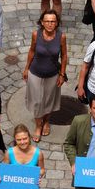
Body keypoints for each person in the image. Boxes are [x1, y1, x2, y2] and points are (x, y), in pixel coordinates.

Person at [22, 10, 68, 142]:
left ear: (57, 23)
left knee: (48, 101)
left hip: (52, 74)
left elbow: (64, 56)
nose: (50, 24)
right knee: (37, 102)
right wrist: (26, 68)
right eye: (47, 21)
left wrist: (62, 74)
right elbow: (31, 51)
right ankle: (38, 126)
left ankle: (46, 121)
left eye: (53, 21)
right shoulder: (36, 34)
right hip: (35, 72)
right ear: (42, 22)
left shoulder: (61, 37)